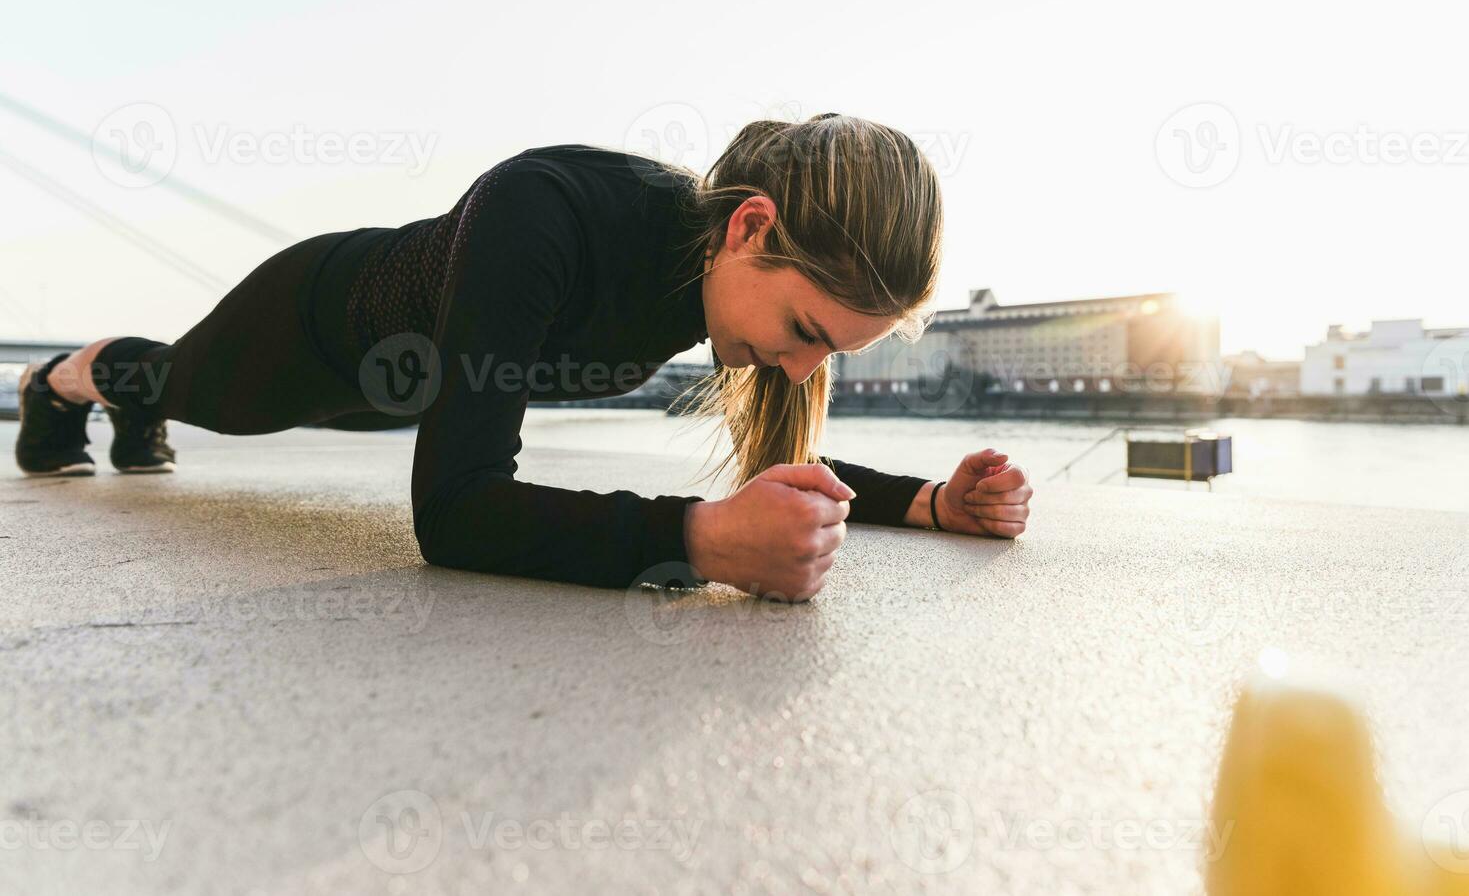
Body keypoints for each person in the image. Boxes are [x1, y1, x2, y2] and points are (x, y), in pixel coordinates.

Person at [13, 113, 1033, 600]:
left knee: (180, 391)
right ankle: (54, 381)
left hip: (408, 391)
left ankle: (129, 402)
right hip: (309, 330)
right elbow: (452, 511)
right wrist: (705, 543)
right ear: (750, 228)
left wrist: (934, 501)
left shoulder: (726, 294)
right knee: (180, 383)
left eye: (832, 354)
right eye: (807, 332)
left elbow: (770, 469)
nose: (800, 370)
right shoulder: (547, 210)